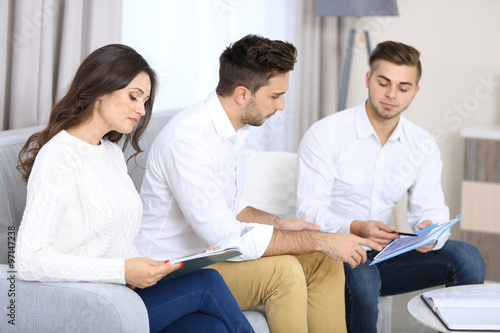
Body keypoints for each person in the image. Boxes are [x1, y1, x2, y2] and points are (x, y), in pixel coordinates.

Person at [135, 34, 380, 333]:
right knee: (284, 271)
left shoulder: (235, 132)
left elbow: (233, 210)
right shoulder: (189, 140)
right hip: (172, 275)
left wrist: (280, 224)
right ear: (242, 94)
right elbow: (223, 235)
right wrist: (321, 239)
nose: (282, 106)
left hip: (208, 259)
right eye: (275, 96)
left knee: (322, 261)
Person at [15, 44, 254, 333]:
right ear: (101, 88)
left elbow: (119, 239)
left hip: (122, 294)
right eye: (133, 97)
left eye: (145, 100)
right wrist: (122, 271)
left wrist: (147, 268)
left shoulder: (110, 153)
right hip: (85, 303)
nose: (141, 110)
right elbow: (29, 260)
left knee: (210, 327)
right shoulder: (59, 157)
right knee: (208, 283)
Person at [296, 40, 487, 333]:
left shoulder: (421, 144)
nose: (391, 95)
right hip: (333, 251)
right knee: (363, 278)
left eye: (403, 87)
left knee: (468, 258)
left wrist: (429, 232)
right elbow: (308, 212)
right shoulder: (326, 134)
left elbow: (432, 210)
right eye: (384, 82)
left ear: (415, 91)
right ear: (368, 79)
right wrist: (356, 227)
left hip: (386, 254)